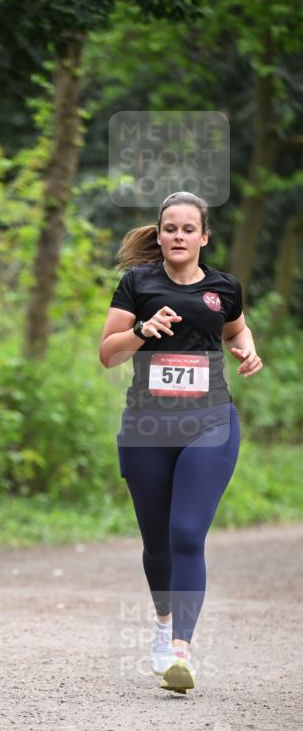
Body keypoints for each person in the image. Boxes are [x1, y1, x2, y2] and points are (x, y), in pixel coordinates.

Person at [99, 192, 262, 693]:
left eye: (188, 229)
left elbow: (235, 329)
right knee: (157, 541)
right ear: (160, 233)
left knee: (187, 532)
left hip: (209, 421)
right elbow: (107, 353)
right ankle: (164, 621)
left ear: (203, 237)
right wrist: (143, 332)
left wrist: (247, 348)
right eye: (170, 228)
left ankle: (181, 651)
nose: (178, 237)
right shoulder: (137, 284)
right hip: (147, 426)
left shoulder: (223, 288)